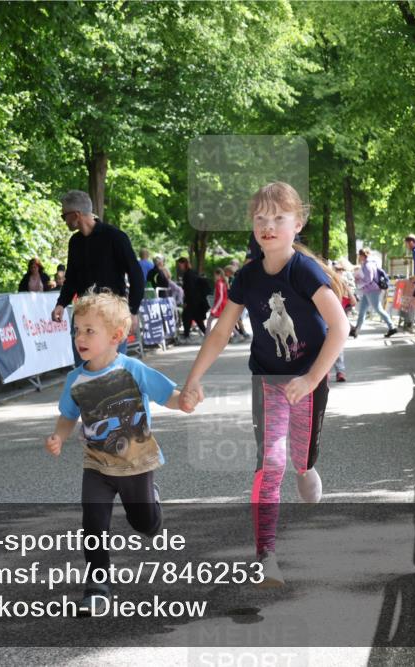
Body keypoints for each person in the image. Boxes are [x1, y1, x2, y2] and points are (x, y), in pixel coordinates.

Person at [179, 182, 348, 587]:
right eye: (260, 219)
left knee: (300, 461)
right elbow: (221, 331)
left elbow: (340, 326)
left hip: (308, 380)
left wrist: (311, 378)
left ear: (298, 223)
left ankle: (306, 468)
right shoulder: (248, 276)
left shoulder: (304, 271)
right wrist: (193, 379)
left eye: (278, 218)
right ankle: (266, 556)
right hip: (269, 380)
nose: (268, 226)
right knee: (270, 461)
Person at [44, 290, 186, 614]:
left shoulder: (132, 369)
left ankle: (152, 506)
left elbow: (168, 395)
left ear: (116, 336)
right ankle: (97, 586)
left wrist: (185, 402)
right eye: (77, 330)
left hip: (135, 462)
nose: (80, 337)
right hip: (97, 463)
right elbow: (68, 416)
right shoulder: (75, 379)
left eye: (89, 331)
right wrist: (59, 436)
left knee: (144, 524)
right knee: (93, 521)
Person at [51, 191, 144, 355]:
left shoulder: (115, 237)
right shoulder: (75, 242)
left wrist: (133, 310)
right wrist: (61, 304)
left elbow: (136, 274)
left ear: (76, 215)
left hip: (112, 315)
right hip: (84, 315)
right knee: (86, 371)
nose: (63, 220)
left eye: (64, 215)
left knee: (113, 372)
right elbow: (71, 278)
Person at [353, 248, 397, 338]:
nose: (359, 257)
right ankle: (356, 330)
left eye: (359, 256)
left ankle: (392, 327)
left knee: (378, 309)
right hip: (369, 290)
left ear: (362, 256)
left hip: (372, 290)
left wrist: (359, 280)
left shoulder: (368, 265)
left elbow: (368, 279)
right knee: (362, 311)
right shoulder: (369, 263)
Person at [176, 257, 209, 340]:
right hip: (197, 299)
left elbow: (189, 289)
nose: (179, 267)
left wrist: (186, 301)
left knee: (186, 317)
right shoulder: (193, 272)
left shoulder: (187, 274)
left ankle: (186, 335)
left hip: (192, 300)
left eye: (180, 265)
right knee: (197, 318)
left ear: (184, 264)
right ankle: (206, 334)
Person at [332, 263, 354, 382]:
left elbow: (354, 302)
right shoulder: (329, 296)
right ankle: (322, 373)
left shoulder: (343, 300)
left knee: (338, 350)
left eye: (341, 270)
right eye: (337, 269)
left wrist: (347, 288)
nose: (339, 271)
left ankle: (340, 372)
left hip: (338, 328)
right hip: (326, 326)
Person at [205, 268, 229, 333]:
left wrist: (215, 308)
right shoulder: (222, 283)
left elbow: (220, 297)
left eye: (215, 275)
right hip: (222, 304)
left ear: (218, 275)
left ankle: (206, 337)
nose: (214, 277)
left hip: (220, 305)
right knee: (224, 321)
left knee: (209, 321)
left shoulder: (219, 283)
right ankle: (237, 334)